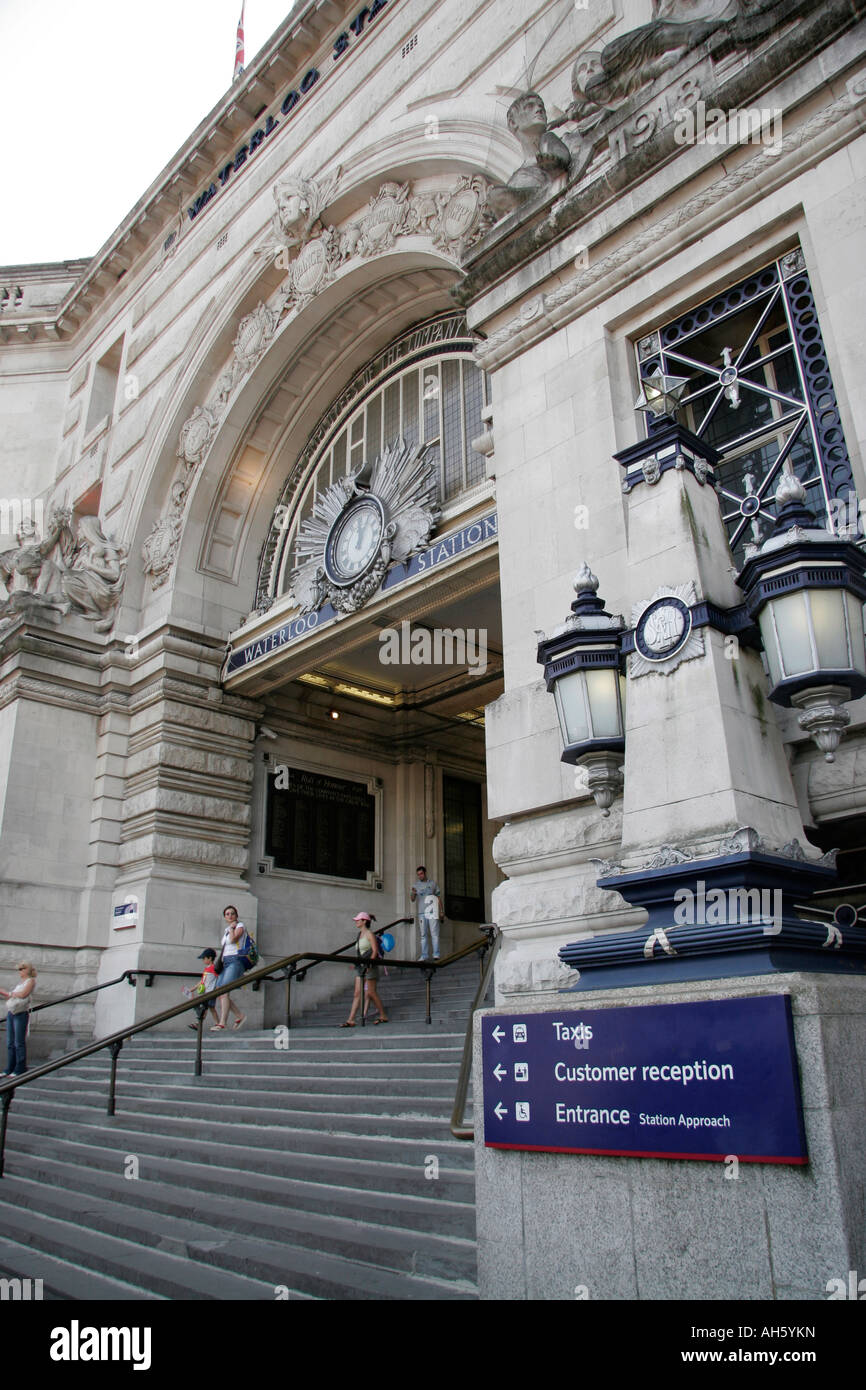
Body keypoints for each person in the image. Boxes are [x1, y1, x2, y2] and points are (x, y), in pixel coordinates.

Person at [342, 912, 388, 1026]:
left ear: (364, 921)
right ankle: (351, 1019)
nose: (356, 922)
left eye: (358, 920)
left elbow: (374, 950)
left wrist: (369, 964)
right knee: (357, 993)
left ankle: (383, 1015)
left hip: (369, 966)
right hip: (361, 967)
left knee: (371, 992)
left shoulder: (369, 934)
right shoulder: (360, 935)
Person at [213, 905, 247, 1031]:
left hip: (235, 960)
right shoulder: (227, 929)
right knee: (219, 991)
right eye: (227, 914)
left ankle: (222, 1023)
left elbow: (233, 940)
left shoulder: (239, 926)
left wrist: (233, 928)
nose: (230, 915)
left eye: (232, 913)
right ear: (224, 917)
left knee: (225, 990)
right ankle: (239, 1015)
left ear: (236, 915)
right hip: (226, 962)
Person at [1, 962, 37, 1077]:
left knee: (18, 1042)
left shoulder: (30, 981)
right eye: (19, 969)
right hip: (12, 1012)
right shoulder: (20, 982)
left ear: (28, 970)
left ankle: (20, 1067)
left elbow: (23, 994)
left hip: (21, 1013)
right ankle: (9, 1068)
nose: (20, 971)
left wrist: (8, 993)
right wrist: (9, 994)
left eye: (22, 968)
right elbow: (15, 995)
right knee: (10, 1042)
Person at [409, 866, 444, 961]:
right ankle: (424, 955)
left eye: (421, 874)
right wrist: (413, 893)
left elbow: (438, 897)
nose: (420, 876)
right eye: (418, 874)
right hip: (422, 913)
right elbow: (412, 899)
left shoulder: (432, 884)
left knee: (434, 933)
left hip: (433, 912)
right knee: (423, 935)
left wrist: (441, 911)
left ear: (425, 873)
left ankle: (436, 954)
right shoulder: (416, 885)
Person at [183, 948, 220, 1030]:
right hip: (206, 992)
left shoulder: (214, 968)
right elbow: (202, 980)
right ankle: (215, 1024)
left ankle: (216, 1024)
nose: (203, 960)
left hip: (211, 992)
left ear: (210, 958)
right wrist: (192, 989)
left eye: (204, 958)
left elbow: (219, 978)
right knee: (208, 1008)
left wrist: (218, 989)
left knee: (208, 1008)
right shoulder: (207, 968)